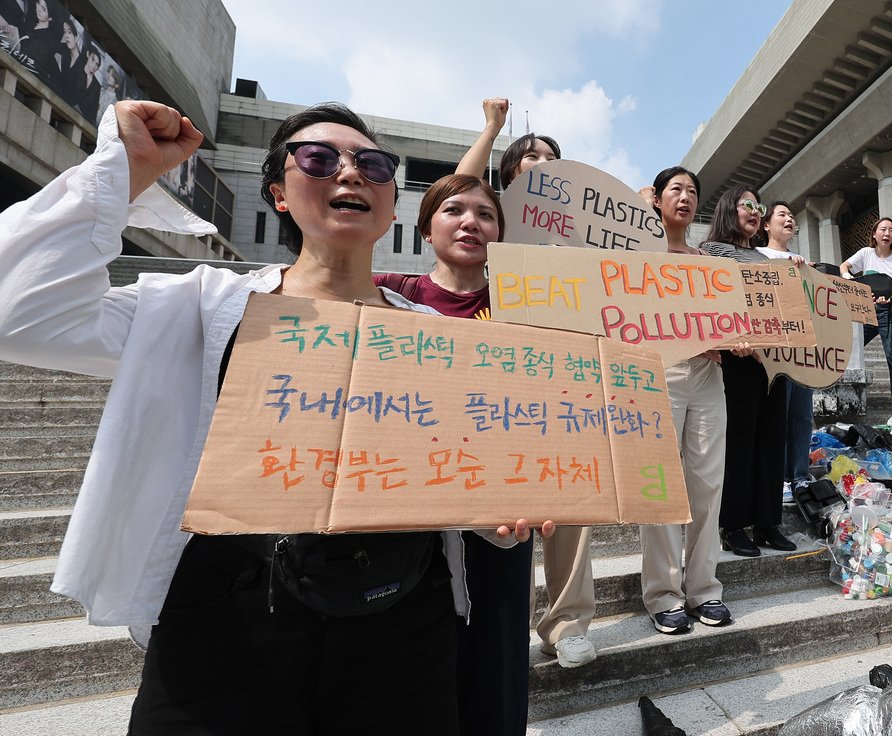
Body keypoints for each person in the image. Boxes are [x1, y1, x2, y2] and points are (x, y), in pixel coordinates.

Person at [0, 100, 551, 733]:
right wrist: (119, 172)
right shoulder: (203, 305)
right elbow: (19, 311)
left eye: (371, 164)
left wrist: (499, 513)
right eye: (318, 158)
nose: (350, 172)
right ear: (279, 195)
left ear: (391, 204)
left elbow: (458, 473)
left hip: (404, 625)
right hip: (226, 620)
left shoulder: (437, 336)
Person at [371, 173, 532, 735]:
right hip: (412, 503)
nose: (471, 223)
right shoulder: (389, 295)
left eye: (486, 215)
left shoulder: (527, 302)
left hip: (505, 500)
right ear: (425, 228)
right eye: (454, 211)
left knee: (500, 639)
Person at [451, 99, 594, 668]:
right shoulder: (494, 223)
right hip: (498, 385)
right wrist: (491, 127)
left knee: (574, 504)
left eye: (552, 157)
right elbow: (456, 189)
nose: (543, 163)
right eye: (531, 156)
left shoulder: (580, 235)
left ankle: (568, 623)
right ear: (509, 172)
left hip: (567, 382)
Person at [637, 166, 732, 635]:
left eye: (693, 191)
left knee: (707, 485)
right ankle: (662, 593)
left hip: (708, 375)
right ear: (656, 199)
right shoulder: (636, 256)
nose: (685, 197)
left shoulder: (709, 262)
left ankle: (704, 589)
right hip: (658, 373)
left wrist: (736, 339)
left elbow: (729, 317)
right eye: (675, 189)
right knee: (659, 486)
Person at [702, 185, 795, 558]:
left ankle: (768, 521)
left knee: (772, 438)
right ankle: (733, 524)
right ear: (729, 208)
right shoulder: (710, 252)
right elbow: (712, 302)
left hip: (773, 359)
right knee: (739, 440)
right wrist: (732, 339)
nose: (755, 212)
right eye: (747, 205)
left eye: (759, 207)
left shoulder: (763, 255)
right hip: (736, 358)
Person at [756, 201, 813, 496]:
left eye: (791, 216)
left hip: (802, 348)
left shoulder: (802, 261)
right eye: (782, 215)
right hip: (774, 349)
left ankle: (799, 475)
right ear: (766, 224)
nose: (789, 219)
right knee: (778, 413)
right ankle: (777, 477)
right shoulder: (756, 256)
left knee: (802, 414)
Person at [840, 217, 892, 413]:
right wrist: (850, 279)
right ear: (874, 234)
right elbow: (844, 267)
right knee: (850, 345)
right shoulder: (866, 253)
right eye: (883, 229)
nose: (887, 234)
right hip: (867, 309)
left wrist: (886, 295)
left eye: (891, 230)